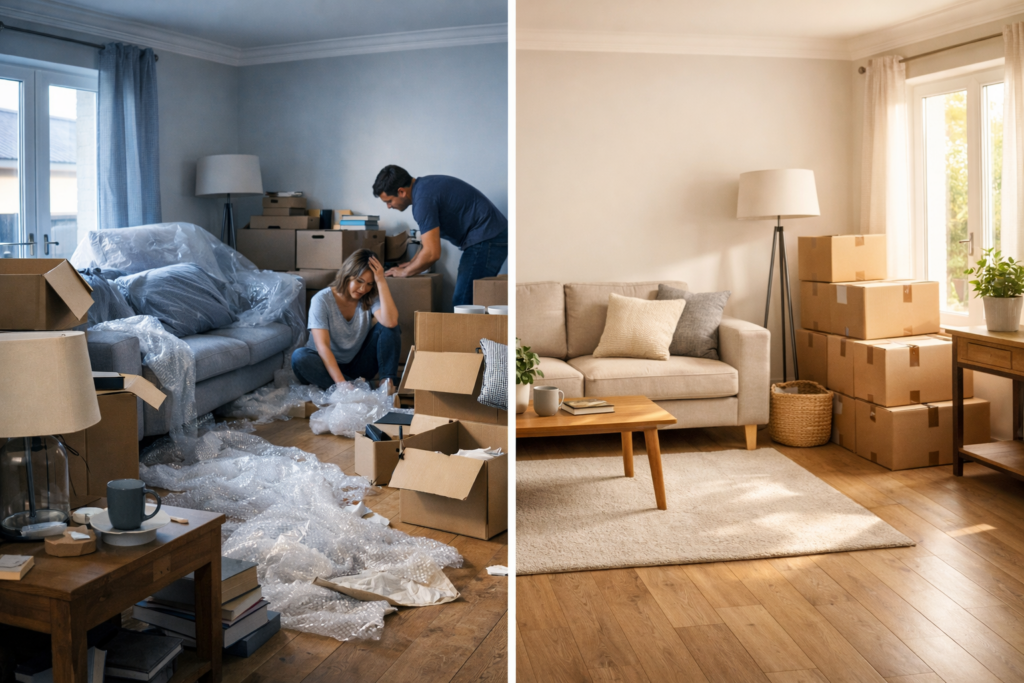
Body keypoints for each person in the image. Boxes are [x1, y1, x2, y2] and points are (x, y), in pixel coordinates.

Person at [373, 165, 507, 307]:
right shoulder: (424, 187)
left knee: (463, 302)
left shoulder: (423, 202)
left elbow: (432, 253)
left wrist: (405, 273)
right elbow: (428, 241)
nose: (388, 206)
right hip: (491, 233)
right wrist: (412, 263)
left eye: (389, 201)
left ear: (401, 192)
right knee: (471, 300)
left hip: (488, 236)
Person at [291, 249, 400, 391]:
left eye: (369, 284)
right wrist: (341, 383)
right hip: (323, 366)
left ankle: (386, 386)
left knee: (389, 327)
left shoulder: (369, 297)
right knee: (299, 357)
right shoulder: (322, 299)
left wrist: (381, 280)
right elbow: (322, 346)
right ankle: (363, 389)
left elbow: (390, 322)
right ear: (347, 275)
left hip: (356, 366)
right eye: (359, 281)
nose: (363, 289)